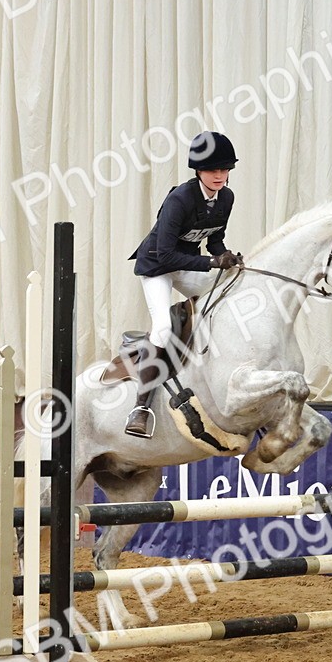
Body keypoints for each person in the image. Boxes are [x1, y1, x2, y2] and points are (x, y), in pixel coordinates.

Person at [124, 130, 242, 437]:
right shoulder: (180, 199)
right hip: (158, 267)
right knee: (163, 326)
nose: (219, 175)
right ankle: (141, 406)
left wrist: (227, 257)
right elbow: (166, 254)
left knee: (227, 296)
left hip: (186, 264)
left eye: (224, 169)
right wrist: (211, 263)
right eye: (212, 170)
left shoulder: (226, 198)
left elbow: (214, 240)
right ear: (198, 171)